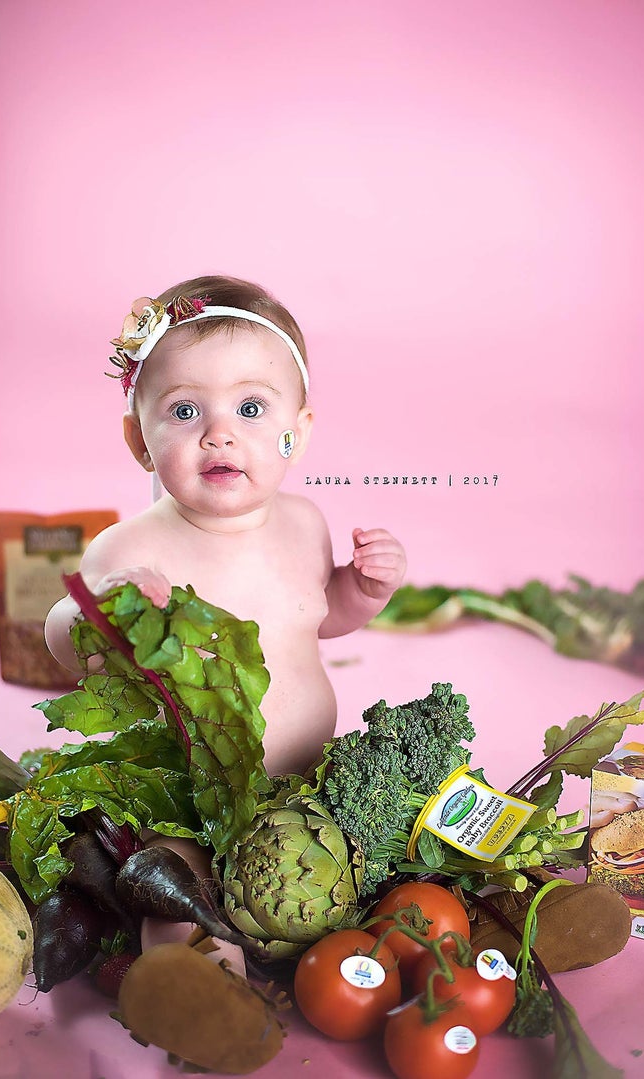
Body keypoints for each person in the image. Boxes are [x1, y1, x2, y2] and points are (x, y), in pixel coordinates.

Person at [44, 274, 407, 969]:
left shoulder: (305, 524)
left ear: (295, 435)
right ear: (139, 441)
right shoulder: (132, 548)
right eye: (184, 411)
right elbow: (63, 638)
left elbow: (320, 618)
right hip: (188, 796)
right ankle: (195, 982)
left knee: (374, 880)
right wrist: (104, 611)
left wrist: (363, 588)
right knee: (174, 885)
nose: (219, 433)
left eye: (249, 406)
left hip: (305, 789)